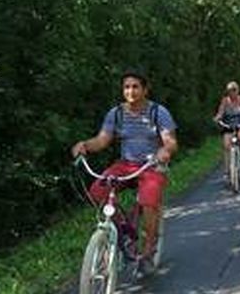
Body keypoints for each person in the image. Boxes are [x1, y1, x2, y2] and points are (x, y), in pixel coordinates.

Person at [70, 68, 178, 274]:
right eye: (127, 87)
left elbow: (171, 142)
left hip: (151, 166)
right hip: (125, 164)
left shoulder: (158, 112)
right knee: (97, 191)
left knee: (149, 201)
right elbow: (102, 140)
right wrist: (84, 145)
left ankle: (148, 248)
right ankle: (123, 230)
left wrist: (164, 150)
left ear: (145, 90)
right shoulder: (116, 113)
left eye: (135, 86)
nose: (131, 91)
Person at [213, 81, 240, 171]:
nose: (232, 92)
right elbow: (220, 112)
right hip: (228, 125)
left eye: (234, 90)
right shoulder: (225, 101)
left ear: (238, 90)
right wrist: (217, 118)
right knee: (226, 145)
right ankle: (227, 170)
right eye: (230, 90)